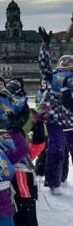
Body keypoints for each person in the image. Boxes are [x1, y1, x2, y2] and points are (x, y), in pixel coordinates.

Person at [37, 27, 73, 195]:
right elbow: (44, 63)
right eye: (63, 61)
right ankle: (53, 181)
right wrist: (45, 45)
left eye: (69, 61)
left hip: (71, 119)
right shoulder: (51, 76)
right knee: (57, 150)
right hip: (55, 118)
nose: (65, 62)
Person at [0, 129, 40, 226]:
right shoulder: (0, 152)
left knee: (29, 209)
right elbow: (16, 154)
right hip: (13, 186)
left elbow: (38, 145)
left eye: (8, 135)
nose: (6, 137)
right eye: (2, 136)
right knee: (15, 209)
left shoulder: (26, 150)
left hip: (28, 186)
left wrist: (39, 125)